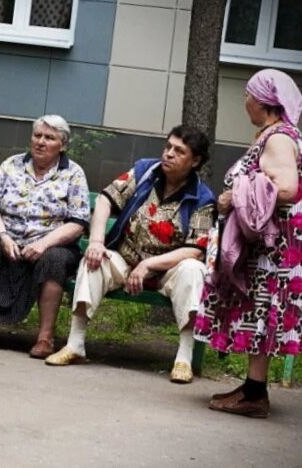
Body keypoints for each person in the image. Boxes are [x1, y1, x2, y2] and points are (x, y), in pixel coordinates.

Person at [45, 125, 216, 383]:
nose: (169, 154)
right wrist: (96, 241)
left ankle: (184, 358)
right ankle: (75, 345)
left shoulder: (202, 197)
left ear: (195, 161)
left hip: (167, 271)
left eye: (179, 151)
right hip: (125, 259)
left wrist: (150, 265)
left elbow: (196, 249)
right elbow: (105, 200)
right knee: (93, 260)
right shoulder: (145, 171)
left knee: (193, 270)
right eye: (168, 146)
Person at [194, 69, 302, 418]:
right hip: (271, 244)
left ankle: (255, 395)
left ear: (262, 100)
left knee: (263, 311)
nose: (245, 103)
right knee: (260, 312)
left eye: (247, 96)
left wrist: (235, 195)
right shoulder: (275, 135)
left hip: (272, 249)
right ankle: (253, 388)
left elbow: (286, 187)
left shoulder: (279, 138)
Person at [0, 115, 90, 359]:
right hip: (9, 238)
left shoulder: (73, 173)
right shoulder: (12, 164)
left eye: (49, 138)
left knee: (55, 261)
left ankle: (45, 337)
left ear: (63, 145)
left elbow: (78, 223)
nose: (41, 142)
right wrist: (3, 236)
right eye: (37, 135)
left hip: (51, 244)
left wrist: (43, 244)